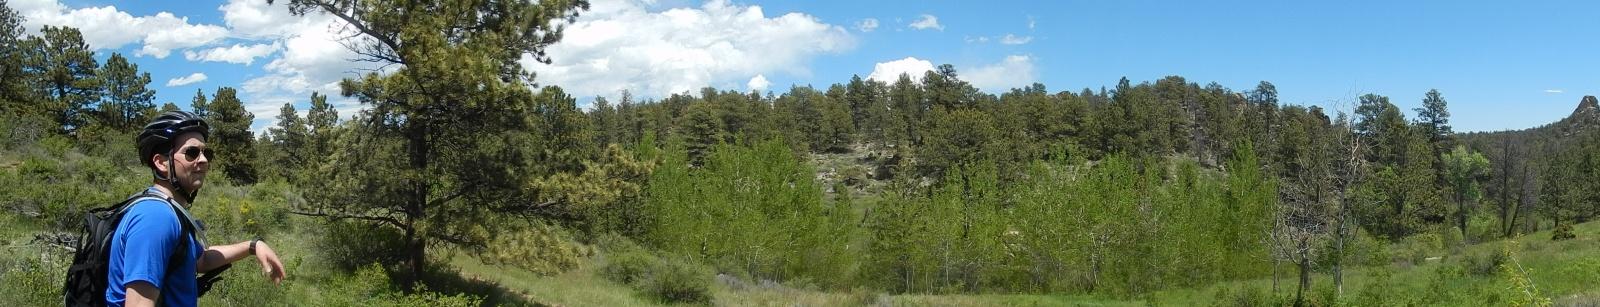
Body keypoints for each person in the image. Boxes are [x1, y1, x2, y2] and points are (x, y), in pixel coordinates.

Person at [106, 111, 286, 306]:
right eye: (192, 152)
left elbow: (201, 261)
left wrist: (253, 246)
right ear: (161, 163)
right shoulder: (155, 218)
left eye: (206, 153)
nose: (203, 160)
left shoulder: (170, 211)